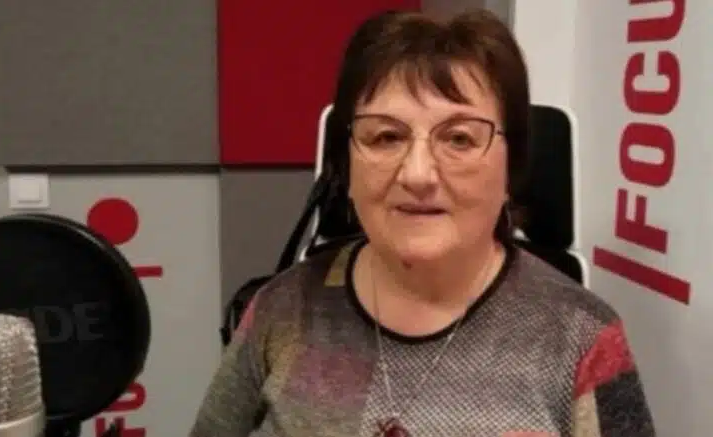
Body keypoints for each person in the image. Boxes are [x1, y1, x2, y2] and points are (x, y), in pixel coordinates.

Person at [190, 8, 656, 437]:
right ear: (345, 166)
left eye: (459, 138)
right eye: (385, 136)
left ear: (510, 171)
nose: (417, 174)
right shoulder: (281, 309)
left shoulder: (582, 339)